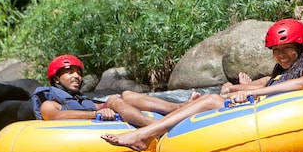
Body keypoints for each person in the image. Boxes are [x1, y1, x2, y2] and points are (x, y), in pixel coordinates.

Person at [101, 19, 303, 151]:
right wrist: (241, 90)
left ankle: (145, 134)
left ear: (299, 48)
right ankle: (149, 127)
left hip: (273, 118)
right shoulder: (281, 73)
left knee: (210, 100)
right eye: (276, 51)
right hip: (257, 113)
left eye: (287, 49)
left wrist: (253, 93)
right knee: (208, 100)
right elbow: (265, 85)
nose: (281, 55)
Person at [31, 54, 201, 126]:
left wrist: (111, 104)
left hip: (94, 117)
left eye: (78, 73)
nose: (76, 76)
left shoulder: (80, 100)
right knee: (112, 101)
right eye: (69, 73)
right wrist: (98, 114)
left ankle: (182, 107)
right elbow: (57, 116)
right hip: (71, 136)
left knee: (124, 95)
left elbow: (96, 107)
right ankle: (156, 126)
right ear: (55, 79)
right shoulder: (49, 103)